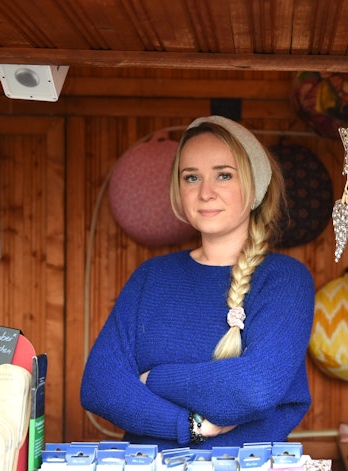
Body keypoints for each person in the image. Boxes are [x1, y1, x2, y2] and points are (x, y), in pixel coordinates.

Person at [80, 116, 315, 449]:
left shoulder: (284, 280)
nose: (206, 193)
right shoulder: (151, 276)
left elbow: (254, 388)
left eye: (224, 175)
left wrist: (154, 379)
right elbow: (99, 386)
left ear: (255, 186)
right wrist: (190, 426)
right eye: (191, 177)